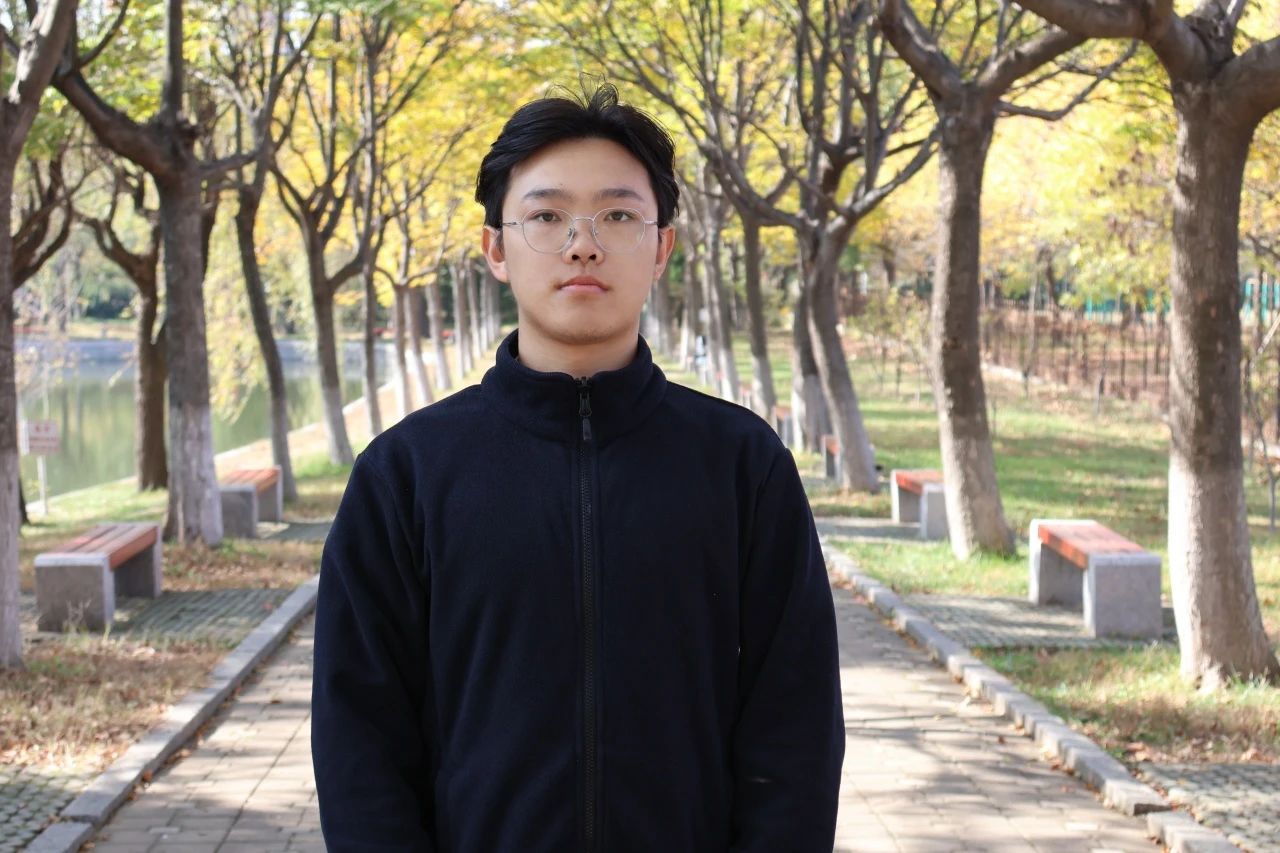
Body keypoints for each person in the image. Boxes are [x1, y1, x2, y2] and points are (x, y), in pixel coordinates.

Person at [312, 84, 844, 852]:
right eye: (547, 216)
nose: (582, 244)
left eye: (618, 216)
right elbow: (358, 736)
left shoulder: (742, 465)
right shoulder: (406, 475)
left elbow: (795, 726)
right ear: (496, 248)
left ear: (661, 248)